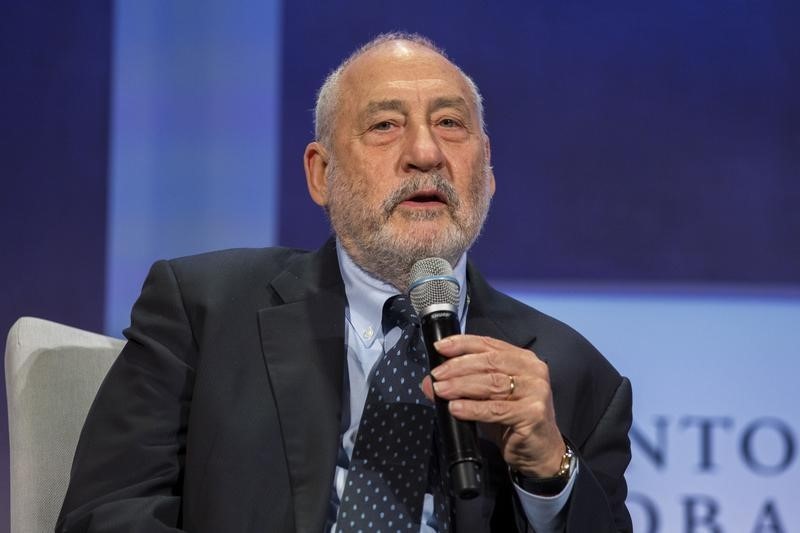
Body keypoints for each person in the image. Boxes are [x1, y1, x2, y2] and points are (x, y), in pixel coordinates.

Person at [56, 33, 632, 532]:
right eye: (385, 125)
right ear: (321, 174)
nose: (426, 153)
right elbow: (106, 515)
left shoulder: (572, 376)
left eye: (450, 124)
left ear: (487, 172)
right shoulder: (202, 308)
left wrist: (550, 471)